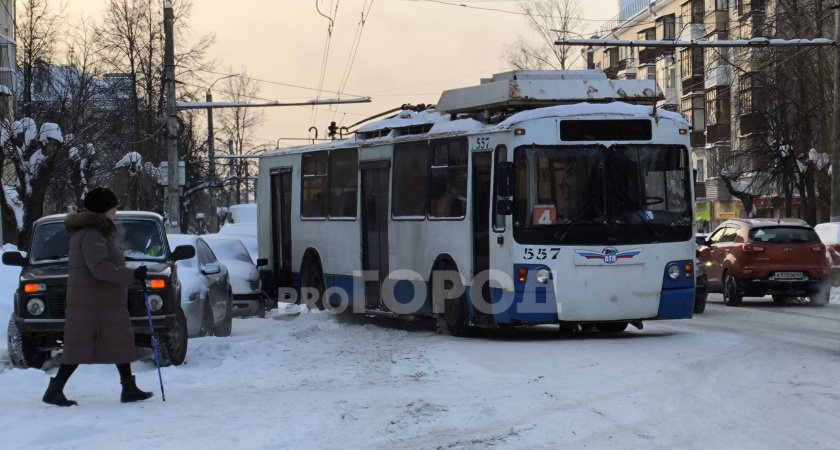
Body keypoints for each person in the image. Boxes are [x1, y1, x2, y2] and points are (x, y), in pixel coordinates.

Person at [42, 187, 153, 407]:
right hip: (93, 303)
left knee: (119, 341)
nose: (115, 212)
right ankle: (55, 389)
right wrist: (132, 275)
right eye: (113, 208)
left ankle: (128, 387)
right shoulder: (91, 233)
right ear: (103, 209)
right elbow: (100, 268)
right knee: (78, 347)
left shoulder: (93, 231)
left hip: (102, 301)